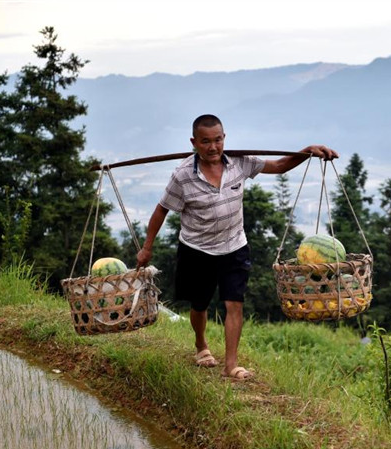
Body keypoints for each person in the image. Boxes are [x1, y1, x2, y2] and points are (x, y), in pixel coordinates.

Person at [136, 114, 338, 381]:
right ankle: (201, 345)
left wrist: (306, 152)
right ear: (194, 142)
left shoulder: (240, 162)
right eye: (205, 141)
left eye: (217, 140)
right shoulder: (183, 176)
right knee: (199, 304)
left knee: (235, 304)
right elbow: (161, 210)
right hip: (197, 249)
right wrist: (147, 248)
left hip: (234, 246)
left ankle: (231, 365)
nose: (213, 147)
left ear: (224, 138)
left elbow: (278, 166)